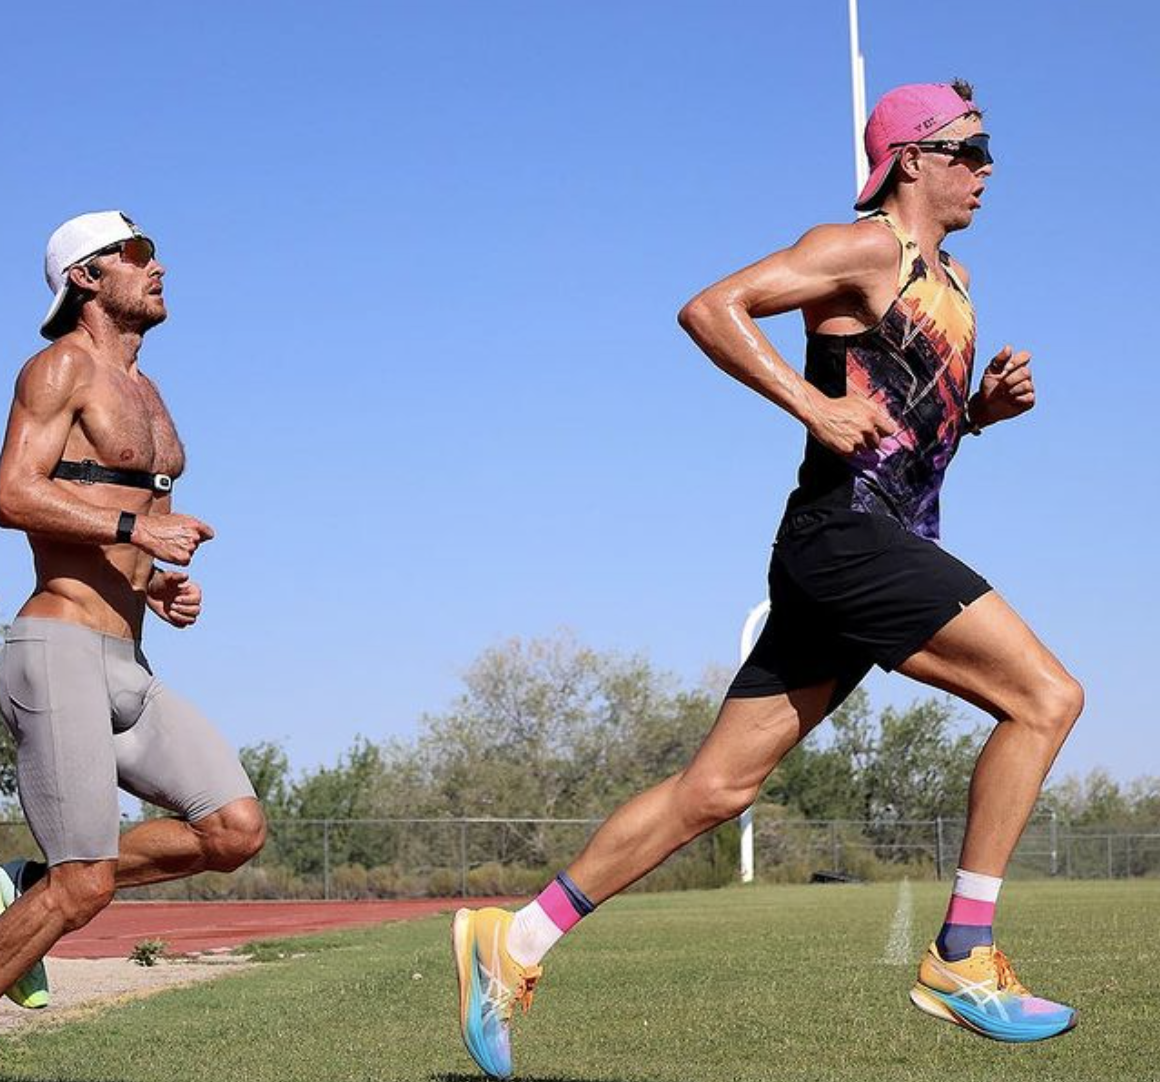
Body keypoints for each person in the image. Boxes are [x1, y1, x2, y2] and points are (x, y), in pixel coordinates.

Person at [453, 81, 1082, 1078]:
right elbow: (710, 306)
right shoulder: (864, 246)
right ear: (914, 157)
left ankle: (514, 939)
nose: (988, 168)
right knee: (1045, 696)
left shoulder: (949, 280)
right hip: (848, 541)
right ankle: (963, 953)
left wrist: (981, 414)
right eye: (971, 147)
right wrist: (805, 404)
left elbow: (904, 429)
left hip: (853, 545)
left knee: (715, 786)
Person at [0, 211, 266, 1082]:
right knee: (86, 883)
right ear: (87, 278)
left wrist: (156, 580)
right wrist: (137, 523)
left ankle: (29, 884)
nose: (157, 264)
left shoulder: (153, 395)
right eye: (135, 255)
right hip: (54, 648)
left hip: (127, 661)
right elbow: (13, 495)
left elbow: (126, 523)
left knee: (234, 829)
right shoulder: (57, 367)